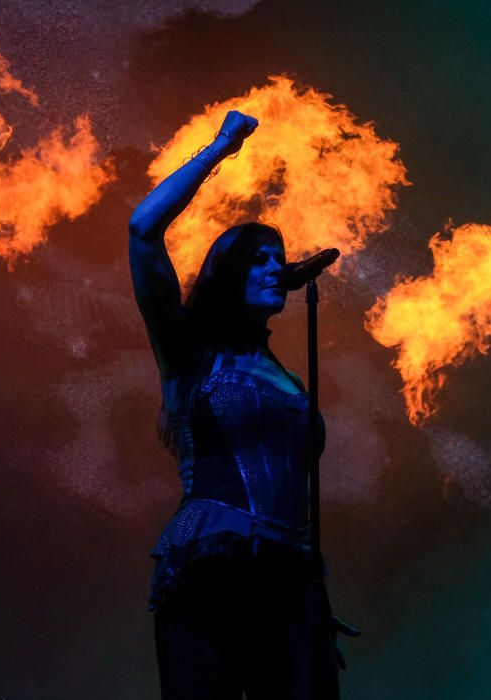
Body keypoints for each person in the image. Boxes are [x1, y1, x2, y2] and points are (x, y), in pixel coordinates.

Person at [129, 110, 356, 699]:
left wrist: (317, 598)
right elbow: (142, 230)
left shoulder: (286, 376)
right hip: (214, 569)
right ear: (226, 274)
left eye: (278, 258)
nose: (274, 267)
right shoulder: (190, 353)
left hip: (292, 583)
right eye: (257, 258)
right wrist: (220, 148)